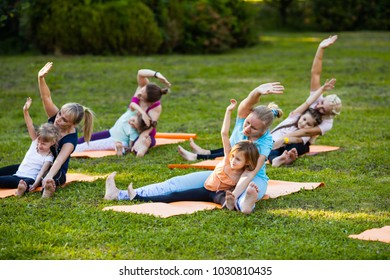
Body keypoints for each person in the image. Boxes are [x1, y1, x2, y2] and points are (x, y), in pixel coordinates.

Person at [104, 82, 284, 214]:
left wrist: (234, 194)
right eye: (247, 123)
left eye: (253, 128)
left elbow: (249, 174)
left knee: (250, 190)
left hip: (251, 178)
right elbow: (243, 106)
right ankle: (119, 195)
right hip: (224, 174)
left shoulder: (265, 144)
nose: (247, 129)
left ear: (264, 130)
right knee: (175, 183)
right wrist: (256, 91)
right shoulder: (242, 120)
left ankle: (246, 203)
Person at [178, 35, 342, 166]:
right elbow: (315, 75)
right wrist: (320, 48)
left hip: (293, 142)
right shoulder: (308, 106)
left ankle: (280, 159)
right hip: (276, 138)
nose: (318, 105)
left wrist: (283, 140)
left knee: (290, 146)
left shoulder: (326, 124)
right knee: (242, 143)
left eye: (322, 109)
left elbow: (303, 134)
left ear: (327, 115)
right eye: (321, 102)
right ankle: (205, 154)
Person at [77, 69, 171, 157]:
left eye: (142, 96)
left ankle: (134, 149)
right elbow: (140, 73)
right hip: (119, 130)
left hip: (135, 134)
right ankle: (66, 144)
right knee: (85, 139)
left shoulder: (155, 108)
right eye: (141, 90)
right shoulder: (144, 89)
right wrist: (157, 74)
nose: (139, 94)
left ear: (149, 102)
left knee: (145, 142)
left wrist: (139, 142)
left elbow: (149, 127)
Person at [38, 62, 94, 198]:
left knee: (52, 177)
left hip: (56, 171)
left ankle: (49, 188)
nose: (58, 119)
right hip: (39, 163)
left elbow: (58, 161)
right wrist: (40, 78)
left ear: (73, 124)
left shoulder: (70, 140)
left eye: (64, 120)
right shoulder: (54, 117)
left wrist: (48, 176)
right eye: (59, 114)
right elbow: (46, 97)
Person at [269, 79, 336, 167]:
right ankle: (283, 158)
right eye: (304, 119)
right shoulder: (293, 117)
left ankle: (277, 160)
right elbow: (307, 103)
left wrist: (284, 140)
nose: (304, 124)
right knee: (270, 150)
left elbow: (297, 140)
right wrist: (322, 89)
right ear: (300, 115)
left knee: (276, 152)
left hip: (282, 145)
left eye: (308, 124)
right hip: (271, 140)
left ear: (312, 127)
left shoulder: (306, 135)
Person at [0, 97, 59, 196]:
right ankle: (22, 188)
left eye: (44, 144)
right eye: (39, 142)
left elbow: (41, 172)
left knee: (26, 183)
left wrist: (35, 184)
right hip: (17, 174)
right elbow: (30, 125)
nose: (40, 145)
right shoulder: (35, 142)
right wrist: (25, 111)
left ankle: (21, 190)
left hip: (29, 179)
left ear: (52, 142)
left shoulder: (49, 157)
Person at [74, 109, 154, 155]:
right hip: (110, 132)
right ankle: (70, 144)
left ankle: (120, 150)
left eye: (134, 125)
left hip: (116, 141)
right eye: (133, 120)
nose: (131, 123)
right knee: (86, 138)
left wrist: (129, 148)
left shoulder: (133, 132)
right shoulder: (130, 113)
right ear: (136, 114)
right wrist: (143, 112)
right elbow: (134, 102)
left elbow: (131, 143)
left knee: (90, 145)